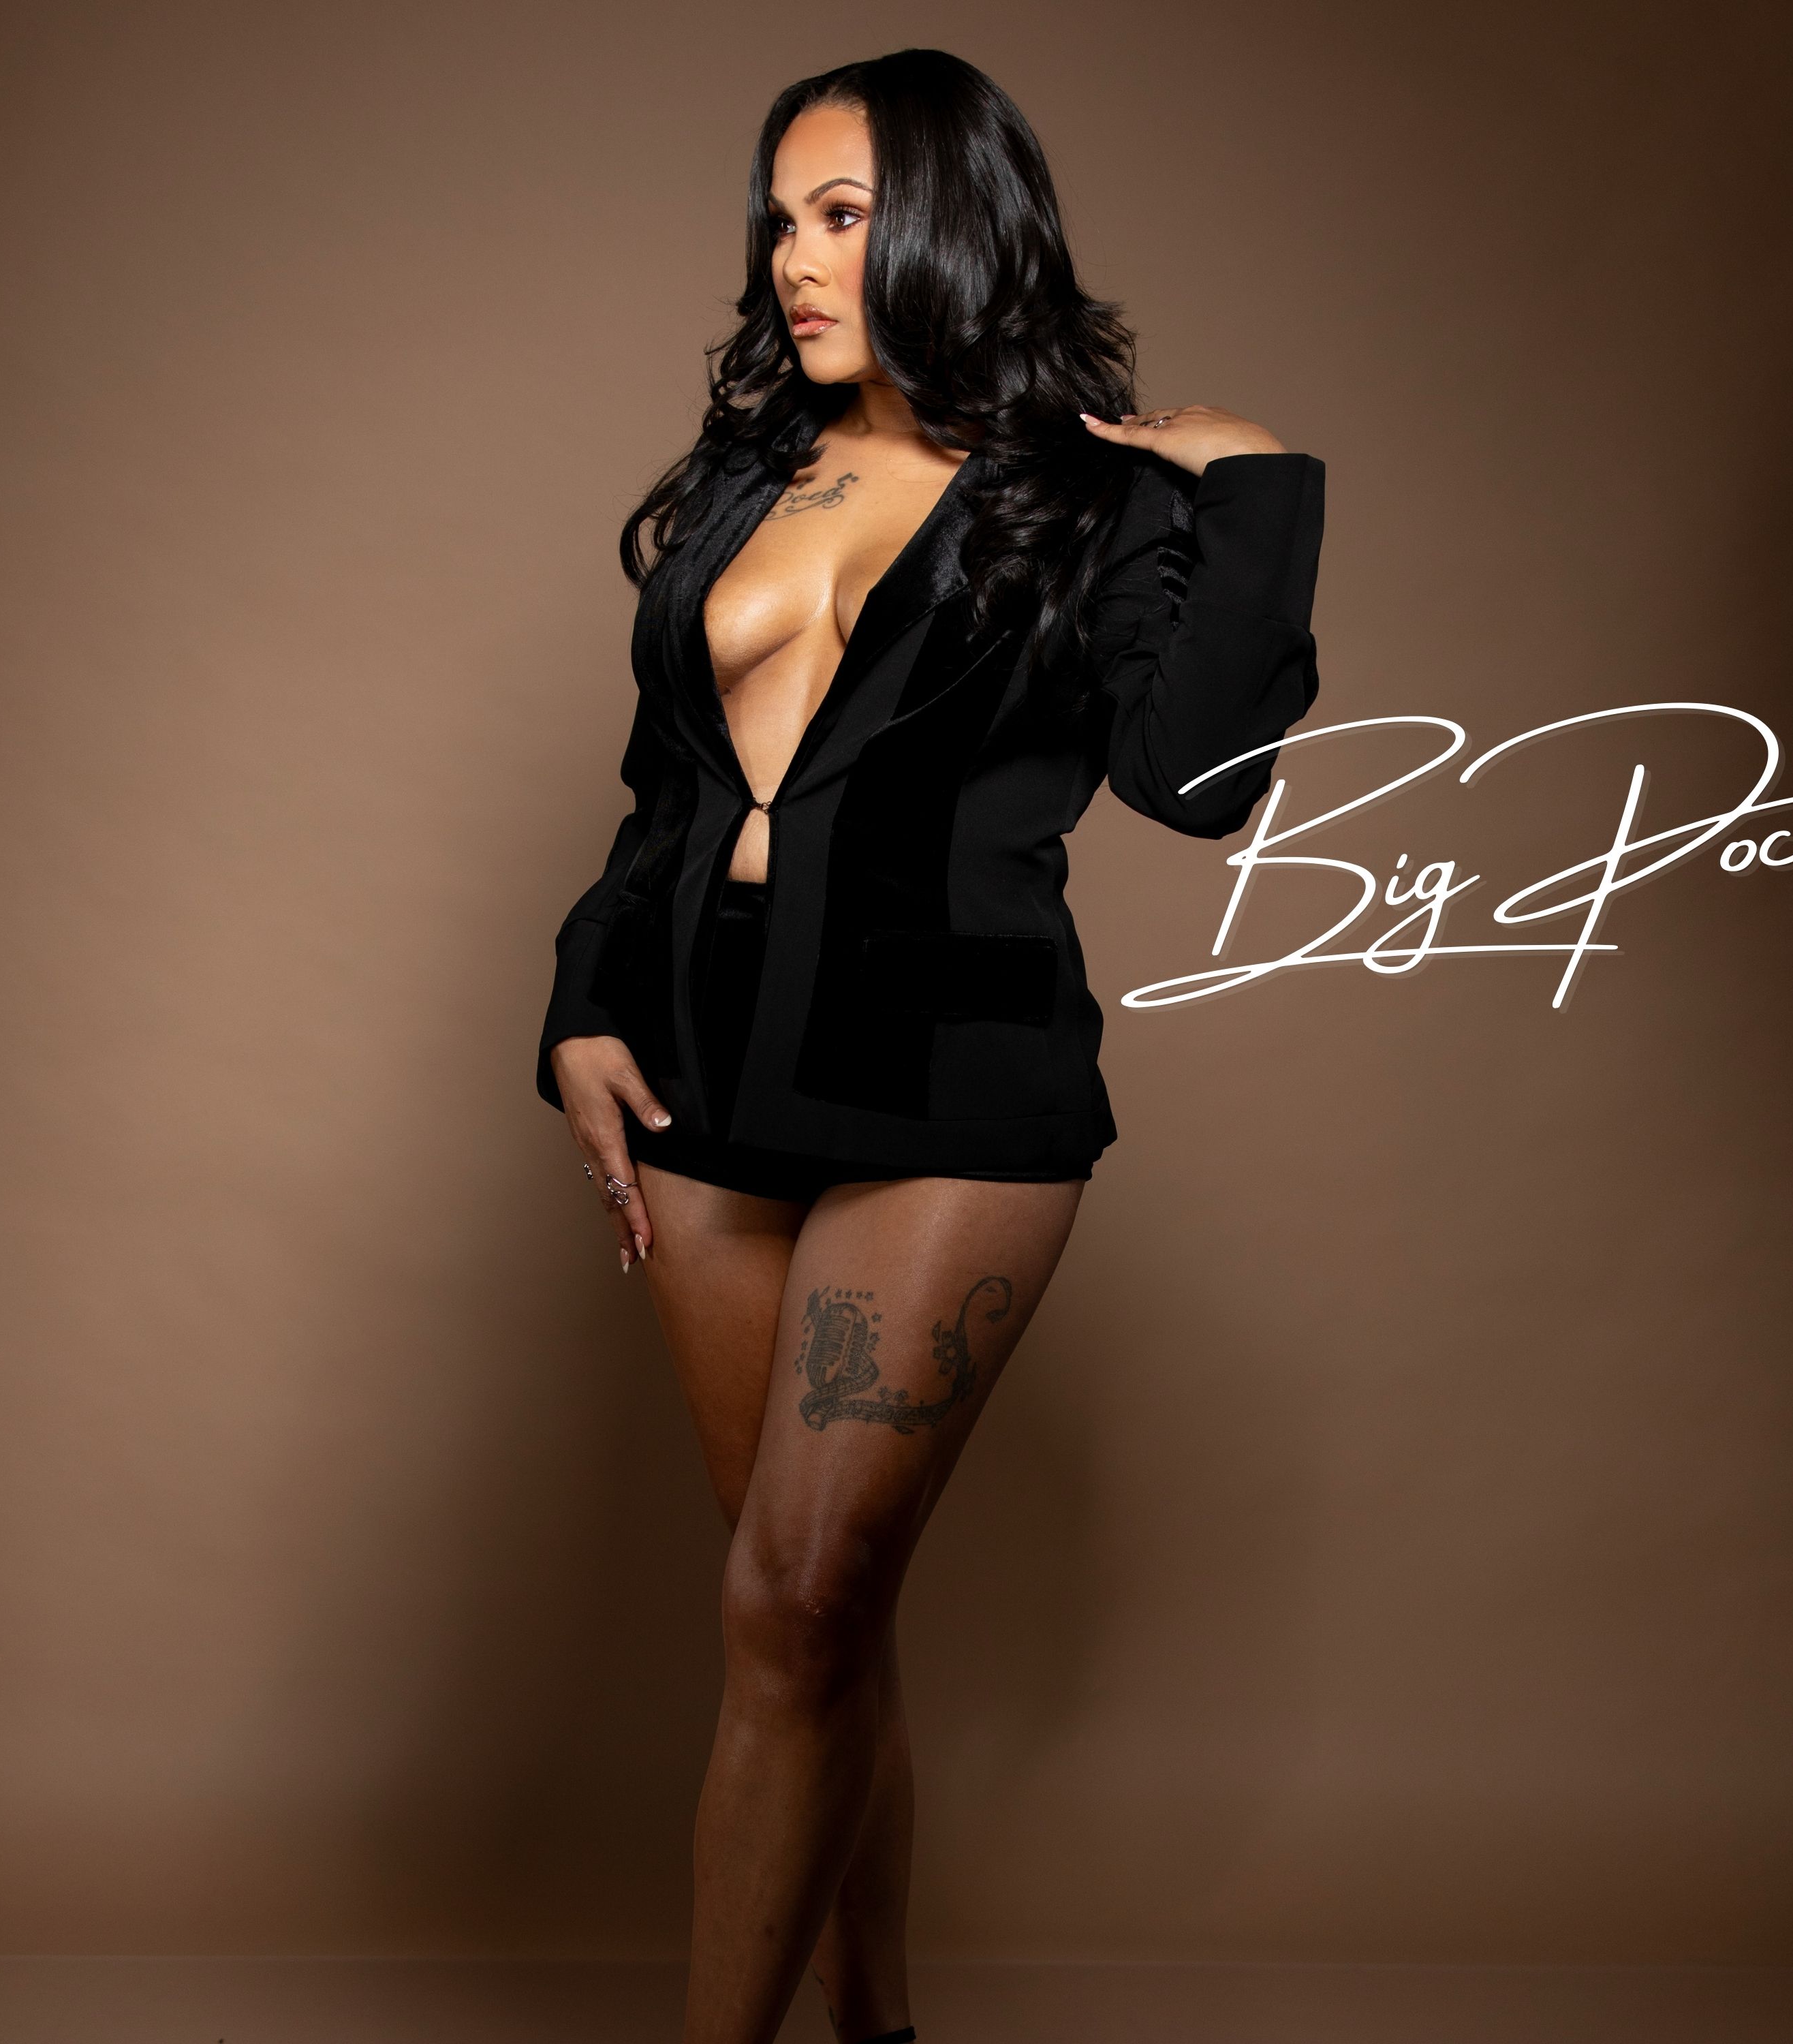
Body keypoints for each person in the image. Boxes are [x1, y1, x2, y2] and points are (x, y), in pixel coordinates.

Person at [537, 47, 1324, 2044]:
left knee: (798, 1596)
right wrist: (581, 1008)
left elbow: (1202, 782)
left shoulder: (1094, 494)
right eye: (778, 222)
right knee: (807, 1624)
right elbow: (662, 794)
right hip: (702, 1070)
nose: (794, 263)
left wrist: (1254, 490)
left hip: (952, 1086)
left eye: (842, 217)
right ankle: (873, 2023)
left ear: (958, 227)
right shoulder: (747, 478)